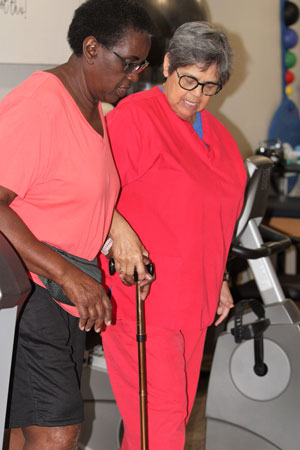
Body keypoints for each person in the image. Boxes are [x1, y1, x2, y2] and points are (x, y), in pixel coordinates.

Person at [0, 1, 155, 449]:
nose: (135, 76)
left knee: (21, 430)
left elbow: (65, 196)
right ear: (91, 48)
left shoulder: (91, 108)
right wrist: (68, 275)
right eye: (128, 63)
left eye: (141, 64)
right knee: (58, 433)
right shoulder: (39, 104)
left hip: (65, 297)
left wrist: (114, 239)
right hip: (34, 294)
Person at [100, 21, 247, 449]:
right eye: (188, 79)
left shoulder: (218, 136)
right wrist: (118, 230)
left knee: (167, 424)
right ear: (167, 64)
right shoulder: (134, 119)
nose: (195, 95)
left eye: (209, 86)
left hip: (194, 302)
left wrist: (218, 279)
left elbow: (215, 216)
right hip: (143, 303)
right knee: (159, 429)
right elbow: (90, 195)